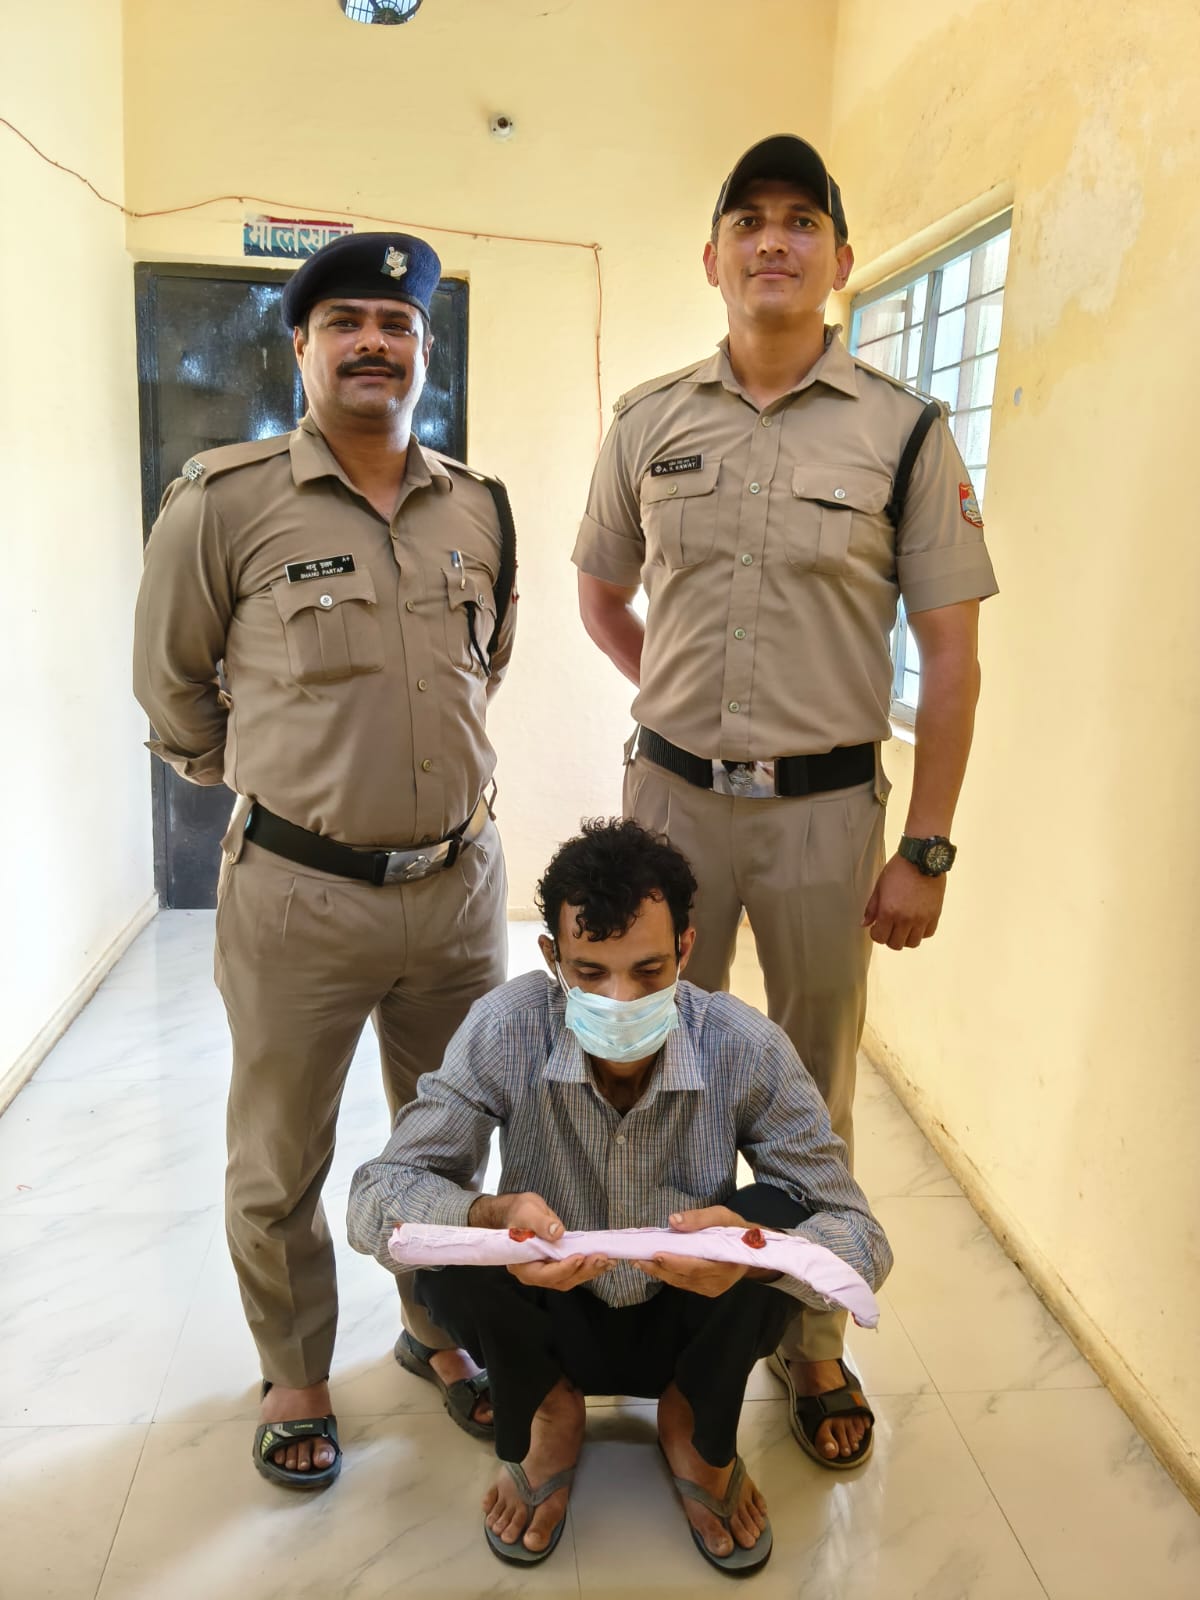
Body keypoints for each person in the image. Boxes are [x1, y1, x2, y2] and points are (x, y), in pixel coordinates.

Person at [572, 134, 997, 1467]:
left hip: (826, 819)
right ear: (712, 258)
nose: (773, 240)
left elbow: (953, 656)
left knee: (809, 1090)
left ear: (840, 260)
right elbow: (600, 595)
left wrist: (925, 846)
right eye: (749, 220)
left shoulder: (905, 431)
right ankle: (654, 1323)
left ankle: (811, 1341)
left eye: (801, 220)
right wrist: (679, 707)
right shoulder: (649, 421)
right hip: (669, 810)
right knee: (643, 1071)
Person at [133, 231, 518, 1489]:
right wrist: (284, 788)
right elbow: (172, 689)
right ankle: (295, 1369)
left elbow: (485, 665)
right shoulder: (223, 501)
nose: (373, 343)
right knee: (279, 1155)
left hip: (459, 892)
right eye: (345, 322)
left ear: (424, 350)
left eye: (396, 325)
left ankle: (436, 1327)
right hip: (297, 895)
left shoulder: (480, 507)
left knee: (447, 1140)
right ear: (300, 346)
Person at [347, 818, 891, 1574]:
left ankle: (693, 1424)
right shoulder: (507, 1028)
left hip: (692, 1313)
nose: (620, 999)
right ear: (552, 958)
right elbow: (373, 1201)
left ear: (687, 950)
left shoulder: (744, 1045)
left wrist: (749, 1254)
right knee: (447, 1243)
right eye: (590, 972)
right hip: (547, 1310)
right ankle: (551, 1413)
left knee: (775, 1221)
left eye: (647, 970)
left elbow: (863, 1240)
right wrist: (489, 1217)